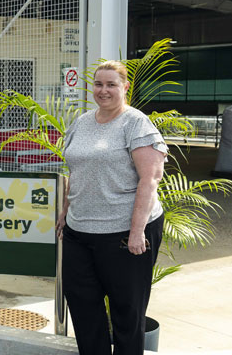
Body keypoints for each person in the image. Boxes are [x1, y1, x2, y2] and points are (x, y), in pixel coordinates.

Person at [56, 60, 167, 354]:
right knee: (82, 303)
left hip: (122, 232)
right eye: (98, 84)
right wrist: (66, 210)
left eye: (111, 85)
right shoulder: (81, 122)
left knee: (126, 310)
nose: (103, 91)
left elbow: (150, 179)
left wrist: (136, 231)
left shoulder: (135, 123)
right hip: (80, 230)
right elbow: (76, 171)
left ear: (125, 87)